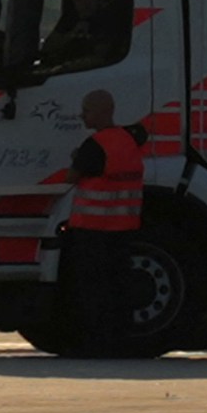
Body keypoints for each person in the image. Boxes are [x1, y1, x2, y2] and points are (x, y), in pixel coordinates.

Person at [60, 88, 146, 351]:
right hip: (124, 229)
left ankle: (95, 340)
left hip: (92, 231)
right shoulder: (128, 141)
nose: (82, 115)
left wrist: (75, 158)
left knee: (92, 290)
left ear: (101, 111)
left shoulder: (94, 145)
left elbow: (71, 178)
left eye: (86, 110)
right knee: (119, 286)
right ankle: (120, 337)